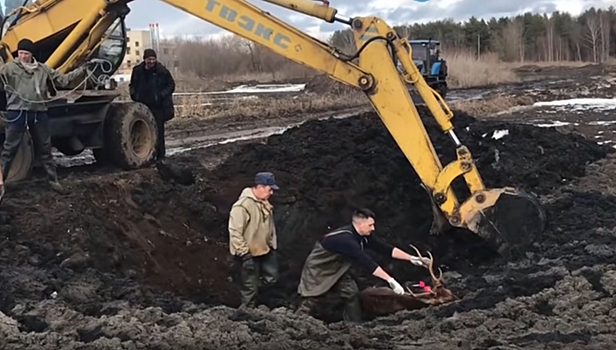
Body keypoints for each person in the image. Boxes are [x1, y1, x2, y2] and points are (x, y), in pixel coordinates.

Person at [295, 208, 432, 322]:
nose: (373, 228)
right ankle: (296, 321)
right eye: (370, 225)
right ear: (359, 224)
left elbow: (385, 248)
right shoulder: (347, 240)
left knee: (351, 292)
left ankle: (353, 326)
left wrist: (412, 258)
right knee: (312, 297)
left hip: (338, 268)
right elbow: (367, 262)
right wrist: (390, 280)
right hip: (319, 268)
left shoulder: (364, 236)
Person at [0, 38, 89, 193]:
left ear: (31, 55)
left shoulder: (42, 70)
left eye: (25, 54)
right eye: (20, 53)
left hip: (38, 113)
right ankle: (1, 183)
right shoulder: (9, 69)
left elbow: (63, 80)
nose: (22, 57)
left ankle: (53, 181)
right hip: (17, 113)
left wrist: (83, 69)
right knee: (9, 149)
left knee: (45, 149)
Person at [228, 172, 279, 308]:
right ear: (260, 187)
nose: (272, 193)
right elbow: (235, 232)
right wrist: (244, 254)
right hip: (248, 254)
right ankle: (247, 312)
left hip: (265, 250)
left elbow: (269, 226)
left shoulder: (264, 203)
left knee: (271, 279)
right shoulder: (242, 206)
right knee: (249, 287)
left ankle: (257, 297)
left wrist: (272, 245)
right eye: (270, 189)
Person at [129, 49, 175, 161]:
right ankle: (146, 155)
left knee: (158, 132)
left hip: (158, 106)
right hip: (142, 106)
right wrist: (134, 95)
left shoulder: (162, 71)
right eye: (149, 59)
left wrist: (160, 95)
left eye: (153, 59)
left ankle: (160, 156)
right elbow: (132, 84)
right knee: (144, 131)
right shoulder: (137, 71)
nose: (151, 61)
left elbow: (171, 85)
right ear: (144, 59)